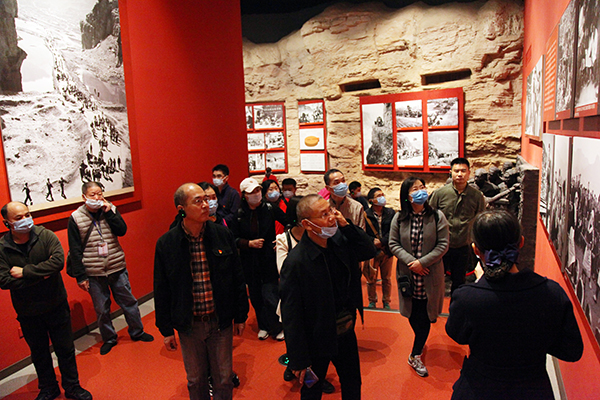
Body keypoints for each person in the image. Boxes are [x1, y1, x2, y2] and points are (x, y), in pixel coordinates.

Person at [446, 210, 583, 400]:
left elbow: (457, 334)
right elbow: (571, 350)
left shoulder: (467, 297)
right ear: (521, 243)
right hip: (533, 390)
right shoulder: (552, 293)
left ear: (476, 250)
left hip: (479, 388)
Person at [154, 183, 249, 400]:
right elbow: (161, 288)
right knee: (196, 380)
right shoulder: (167, 243)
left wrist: (240, 315)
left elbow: (237, 277)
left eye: (206, 199)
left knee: (223, 378)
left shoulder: (222, 235)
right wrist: (166, 329)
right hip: (190, 324)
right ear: (181, 209)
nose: (206, 205)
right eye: (198, 201)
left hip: (220, 320)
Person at [280, 194, 377, 400]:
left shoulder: (339, 242)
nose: (331, 217)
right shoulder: (296, 261)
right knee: (312, 389)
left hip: (344, 330)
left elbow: (368, 249)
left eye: (331, 211)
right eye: (324, 215)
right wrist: (298, 358)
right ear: (307, 224)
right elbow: (291, 314)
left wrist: (346, 226)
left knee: (352, 383)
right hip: (316, 338)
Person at [0, 202, 92, 400]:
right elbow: (4, 280)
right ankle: (48, 388)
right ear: (7, 223)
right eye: (18, 218)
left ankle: (72, 387)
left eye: (27, 214)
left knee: (65, 349)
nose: (26, 220)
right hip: (28, 311)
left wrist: (25, 272)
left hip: (56, 305)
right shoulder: (2, 248)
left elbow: (57, 263)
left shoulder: (46, 236)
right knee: (39, 353)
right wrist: (42, 275)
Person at [68, 182, 153, 355]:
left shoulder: (110, 209)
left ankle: (137, 331)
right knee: (102, 309)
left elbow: (122, 230)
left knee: (129, 302)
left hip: (116, 266)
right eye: (92, 195)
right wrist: (81, 276)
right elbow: (74, 249)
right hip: (94, 271)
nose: (97, 197)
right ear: (84, 197)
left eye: (100, 193)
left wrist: (109, 213)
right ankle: (109, 338)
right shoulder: (76, 218)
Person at [388, 177, 449, 377]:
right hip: (408, 274)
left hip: (429, 273)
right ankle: (419, 343)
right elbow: (393, 243)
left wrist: (423, 263)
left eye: (422, 187)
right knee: (413, 313)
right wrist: (412, 263)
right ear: (407, 195)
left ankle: (415, 354)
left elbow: (443, 244)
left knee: (426, 314)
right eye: (415, 189)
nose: (421, 191)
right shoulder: (399, 218)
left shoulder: (437, 216)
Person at [231, 177, 286, 340]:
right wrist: (248, 243)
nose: (256, 194)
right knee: (255, 296)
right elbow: (232, 238)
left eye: (258, 190)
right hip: (249, 261)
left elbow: (289, 222)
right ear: (244, 195)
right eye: (252, 192)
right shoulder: (239, 214)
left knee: (271, 294)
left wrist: (281, 240)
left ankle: (278, 326)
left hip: (268, 258)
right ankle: (263, 326)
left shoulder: (269, 208)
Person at [429, 157, 485, 294]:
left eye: (463, 171)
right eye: (456, 171)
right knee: (436, 279)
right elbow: (430, 217)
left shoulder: (476, 196)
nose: (460, 174)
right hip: (442, 245)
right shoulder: (440, 194)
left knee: (459, 281)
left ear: (469, 172)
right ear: (451, 172)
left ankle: (456, 304)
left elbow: (480, 219)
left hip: (463, 246)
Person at [364, 187, 396, 309]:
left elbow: (393, 230)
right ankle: (372, 300)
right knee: (371, 278)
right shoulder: (366, 214)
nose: (382, 197)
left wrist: (382, 241)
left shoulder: (390, 213)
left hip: (387, 251)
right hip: (372, 251)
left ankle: (386, 301)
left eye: (382, 195)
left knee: (386, 278)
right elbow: (364, 232)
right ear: (371, 200)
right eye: (378, 196)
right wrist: (373, 241)